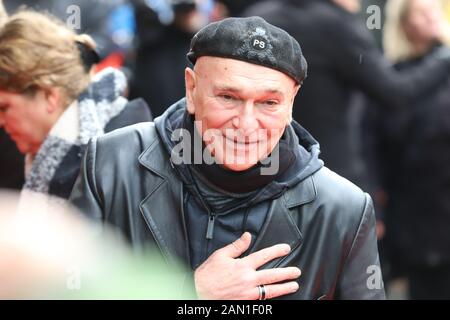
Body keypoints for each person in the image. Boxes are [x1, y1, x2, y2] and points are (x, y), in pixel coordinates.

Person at [71, 16, 385, 300]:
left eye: (269, 103)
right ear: (191, 90)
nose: (246, 124)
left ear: (291, 102)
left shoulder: (344, 210)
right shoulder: (111, 163)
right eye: (228, 97)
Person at [243, 0, 450, 188]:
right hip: (326, 171)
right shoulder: (335, 25)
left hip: (262, 166)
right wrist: (443, 59)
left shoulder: (257, 17)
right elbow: (394, 92)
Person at [0, 11, 152, 199]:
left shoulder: (122, 159)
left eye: (4, 107)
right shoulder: (61, 160)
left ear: (49, 96)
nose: (1, 121)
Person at [363, 0, 450, 299]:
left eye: (433, 12)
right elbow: (372, 141)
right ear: (404, 24)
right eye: (421, 14)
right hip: (413, 207)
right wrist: (377, 198)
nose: (431, 20)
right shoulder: (392, 78)